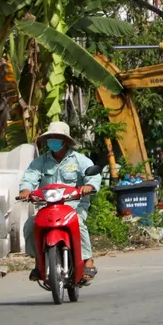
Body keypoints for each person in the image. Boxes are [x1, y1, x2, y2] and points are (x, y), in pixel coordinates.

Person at [17, 121, 102, 283]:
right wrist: (25, 190)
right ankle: (39, 262)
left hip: (74, 205)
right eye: (51, 137)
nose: (53, 140)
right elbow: (30, 177)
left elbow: (92, 175)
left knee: (78, 223)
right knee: (30, 225)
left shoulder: (79, 160)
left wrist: (89, 186)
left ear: (65, 140)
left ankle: (88, 260)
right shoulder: (41, 161)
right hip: (47, 206)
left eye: (57, 137)